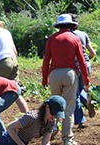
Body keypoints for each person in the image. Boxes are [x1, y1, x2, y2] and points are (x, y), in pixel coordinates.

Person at [42, 13, 90, 145]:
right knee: (69, 108)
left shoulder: (51, 39)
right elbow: (82, 62)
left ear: (58, 26)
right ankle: (68, 140)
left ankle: (53, 128)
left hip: (54, 74)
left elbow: (46, 60)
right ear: (71, 25)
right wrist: (86, 80)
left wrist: (44, 79)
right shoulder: (75, 39)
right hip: (70, 74)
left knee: (54, 105)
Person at [0, 95, 66, 145]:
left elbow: (46, 142)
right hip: (9, 140)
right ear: (47, 107)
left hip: (23, 141)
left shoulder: (51, 121)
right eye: (53, 113)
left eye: (57, 115)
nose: (54, 117)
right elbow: (9, 128)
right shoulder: (32, 117)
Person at [69, 13, 96, 128]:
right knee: (80, 89)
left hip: (74, 67)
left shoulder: (67, 35)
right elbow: (93, 53)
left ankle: (81, 121)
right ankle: (88, 103)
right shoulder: (83, 34)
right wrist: (86, 61)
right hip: (87, 65)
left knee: (74, 94)